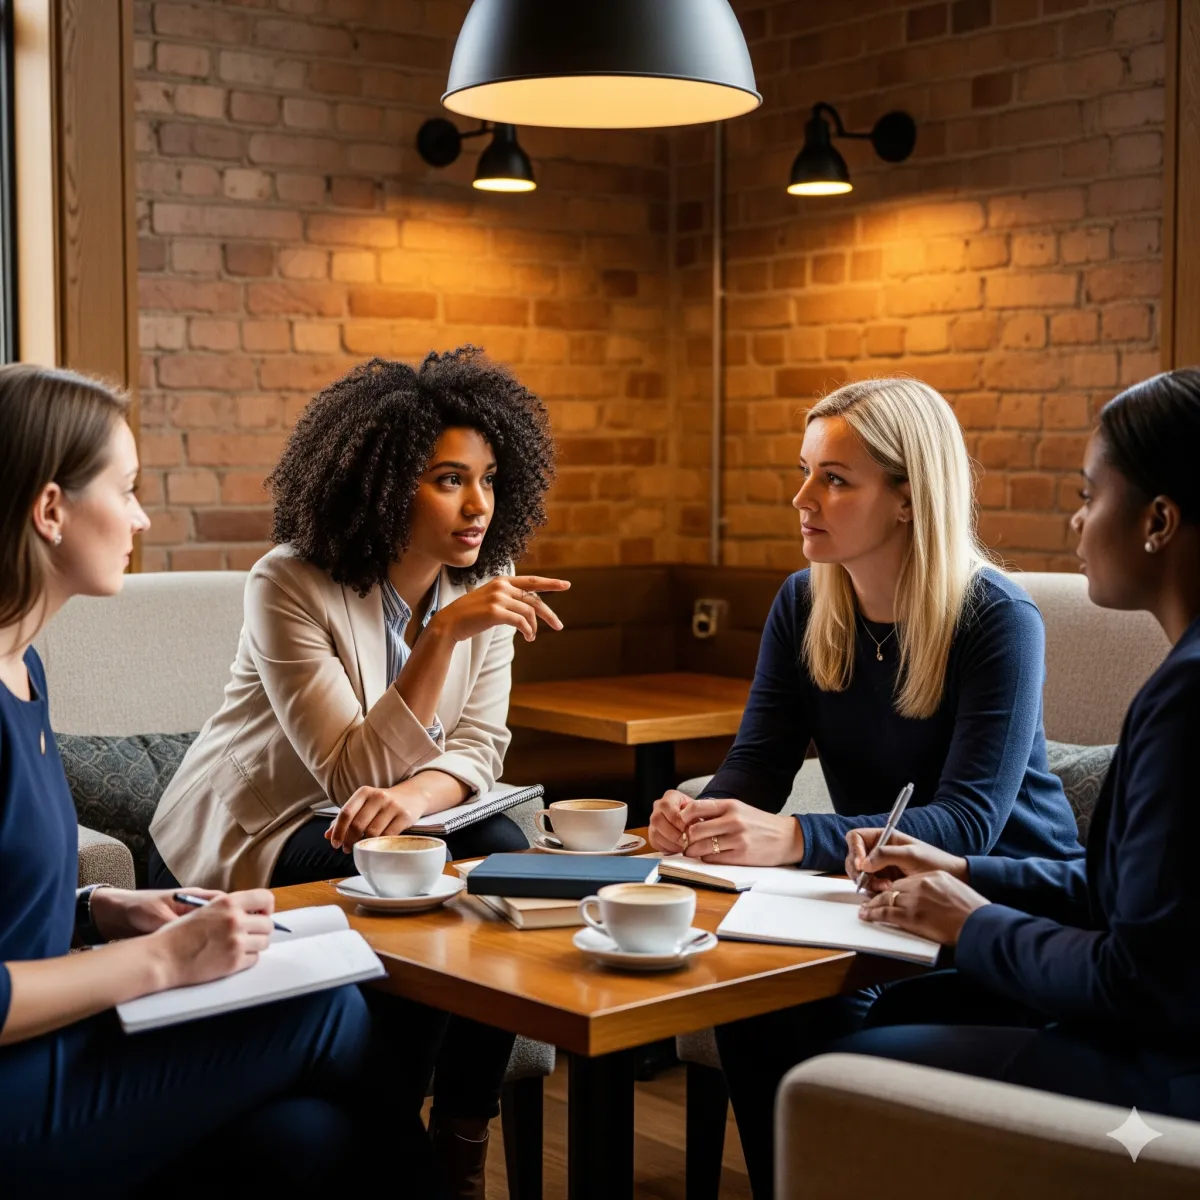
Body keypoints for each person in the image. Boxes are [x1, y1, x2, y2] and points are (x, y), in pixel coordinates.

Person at [647, 377, 1082, 1198]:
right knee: (752, 999)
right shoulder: (806, 601)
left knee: (845, 1024)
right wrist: (700, 810)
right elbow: (758, 763)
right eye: (805, 470)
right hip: (869, 900)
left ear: (909, 501)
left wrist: (795, 838)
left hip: (997, 906)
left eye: (834, 479)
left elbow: (970, 823)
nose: (801, 497)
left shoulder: (997, 618)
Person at [149, 348, 564, 1197]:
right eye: (449, 479)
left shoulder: (487, 579)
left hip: (387, 818)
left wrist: (411, 796)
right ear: (382, 484)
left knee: (500, 848)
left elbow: (481, 746)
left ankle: (459, 1133)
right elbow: (346, 776)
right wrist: (444, 638)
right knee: (417, 871)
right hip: (264, 832)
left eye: (489, 478)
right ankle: (388, 1127)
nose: (478, 505)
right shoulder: (290, 582)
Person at [0, 363, 392, 1198]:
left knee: (307, 1140)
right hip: (12, 1089)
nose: (141, 516)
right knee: (331, 1011)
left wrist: (102, 911)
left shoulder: (24, 670)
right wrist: (165, 960)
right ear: (49, 510)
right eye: (128, 488)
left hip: (48, 1049)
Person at [835, 366, 1200, 1122]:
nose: (1075, 522)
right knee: (889, 1021)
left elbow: (1140, 977)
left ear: (1158, 521)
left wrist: (969, 920)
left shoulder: (1186, 699)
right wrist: (967, 872)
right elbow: (1138, 910)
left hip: (1170, 1074)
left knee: (852, 1069)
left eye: (1087, 496)